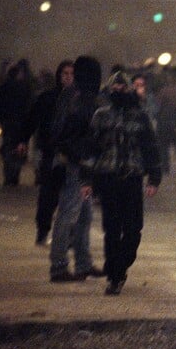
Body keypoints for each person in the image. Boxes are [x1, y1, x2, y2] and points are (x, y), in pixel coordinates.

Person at [81, 71, 161, 295]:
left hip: (132, 178)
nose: (118, 91)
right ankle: (115, 275)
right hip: (108, 179)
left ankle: (121, 263)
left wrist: (154, 177)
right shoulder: (101, 116)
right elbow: (91, 150)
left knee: (134, 228)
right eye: (114, 87)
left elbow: (150, 148)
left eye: (122, 87)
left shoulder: (140, 116)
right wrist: (86, 180)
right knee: (112, 229)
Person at [47, 56, 104, 282]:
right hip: (75, 163)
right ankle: (59, 266)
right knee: (69, 213)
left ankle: (83, 263)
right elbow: (66, 130)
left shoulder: (77, 95)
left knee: (84, 214)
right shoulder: (77, 97)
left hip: (80, 162)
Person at [25, 60, 74, 245]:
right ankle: (43, 230)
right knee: (48, 195)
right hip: (51, 152)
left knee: (70, 198)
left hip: (71, 154)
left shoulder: (79, 99)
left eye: (71, 74)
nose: (68, 77)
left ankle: (65, 235)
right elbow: (32, 119)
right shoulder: (47, 97)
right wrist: (22, 139)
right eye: (65, 73)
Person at [0, 59, 35, 186]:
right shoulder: (25, 87)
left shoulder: (3, 87)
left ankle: (9, 174)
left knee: (8, 145)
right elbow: (29, 106)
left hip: (7, 123)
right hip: (20, 122)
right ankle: (14, 173)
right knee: (19, 146)